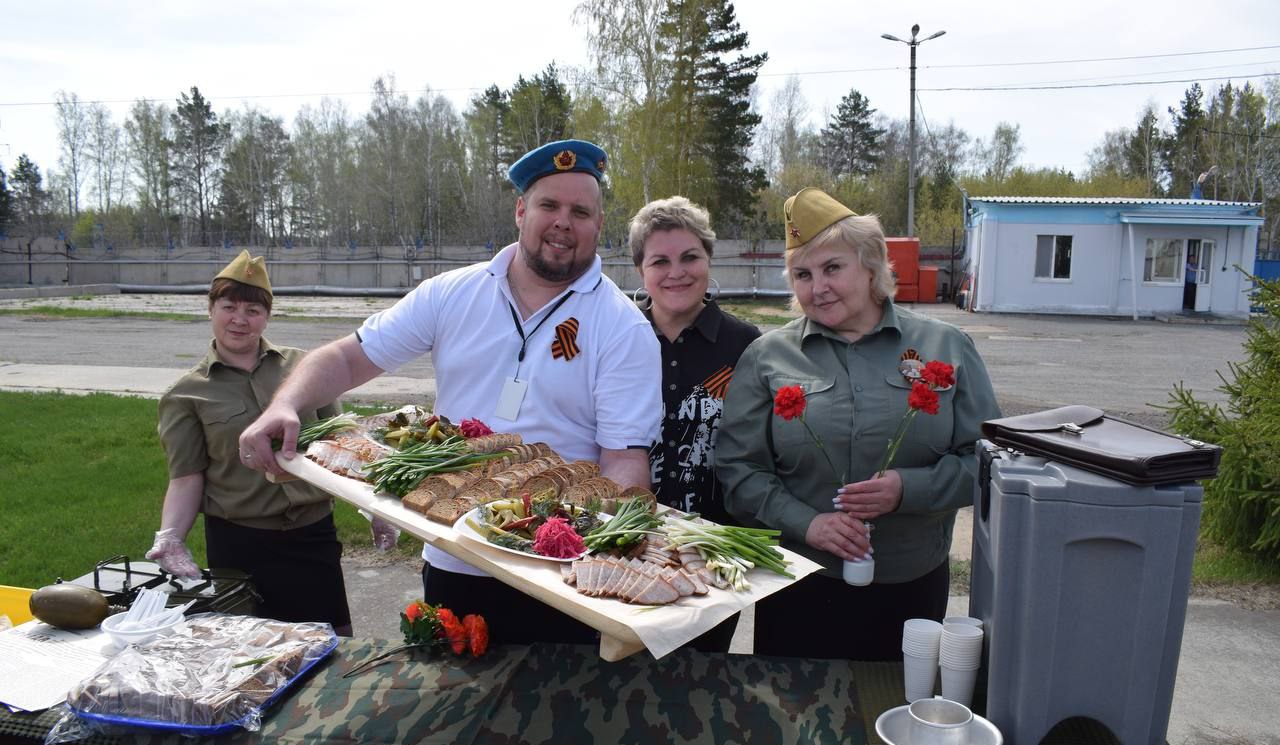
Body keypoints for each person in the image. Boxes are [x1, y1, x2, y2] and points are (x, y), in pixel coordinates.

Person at [237, 139, 661, 647]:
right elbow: (350, 357)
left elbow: (623, 458)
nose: (563, 222)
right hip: (454, 554)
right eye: (549, 205)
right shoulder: (452, 294)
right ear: (521, 211)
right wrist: (284, 404)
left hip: (557, 577)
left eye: (581, 211)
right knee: (449, 714)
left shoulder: (621, 325)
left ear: (599, 225)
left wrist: (599, 558)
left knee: (559, 721)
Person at [716, 188, 1001, 661]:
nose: (817, 287)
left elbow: (987, 463)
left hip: (911, 585)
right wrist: (809, 525)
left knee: (895, 713)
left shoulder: (946, 346)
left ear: (871, 265)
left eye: (833, 268)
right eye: (802, 275)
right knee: (795, 721)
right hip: (799, 583)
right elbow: (738, 471)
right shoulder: (768, 357)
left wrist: (908, 490)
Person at [148, 251, 355, 635]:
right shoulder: (186, 394)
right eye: (229, 306)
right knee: (253, 658)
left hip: (313, 536)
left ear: (267, 316)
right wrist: (171, 535)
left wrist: (374, 506)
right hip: (240, 546)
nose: (240, 319)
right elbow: (186, 476)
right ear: (210, 309)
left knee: (333, 646)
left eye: (253, 310)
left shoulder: (306, 368)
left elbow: (344, 442)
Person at [627, 196, 759, 652]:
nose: (676, 272)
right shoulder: (620, 339)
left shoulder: (746, 346)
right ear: (640, 271)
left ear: (708, 260)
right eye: (659, 261)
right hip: (627, 544)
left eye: (690, 257)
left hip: (714, 551)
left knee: (701, 679)